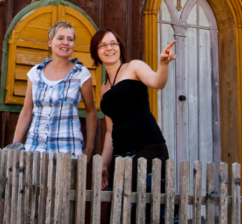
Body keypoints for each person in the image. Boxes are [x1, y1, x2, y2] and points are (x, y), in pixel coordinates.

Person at [92, 28, 176, 189]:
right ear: (96, 52)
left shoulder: (134, 67)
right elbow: (110, 130)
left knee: (148, 208)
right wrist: (103, 164)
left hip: (147, 147)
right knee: (122, 209)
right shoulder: (103, 88)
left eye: (113, 43)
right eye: (102, 45)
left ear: (120, 47)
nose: (109, 48)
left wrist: (163, 64)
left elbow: (158, 82)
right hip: (120, 154)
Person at [12, 21, 96, 156]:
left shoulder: (82, 73)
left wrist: (89, 148)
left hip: (68, 150)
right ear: (50, 43)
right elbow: (26, 112)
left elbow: (91, 111)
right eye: (60, 38)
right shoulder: (35, 72)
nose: (66, 43)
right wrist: (16, 145)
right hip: (34, 149)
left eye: (70, 39)